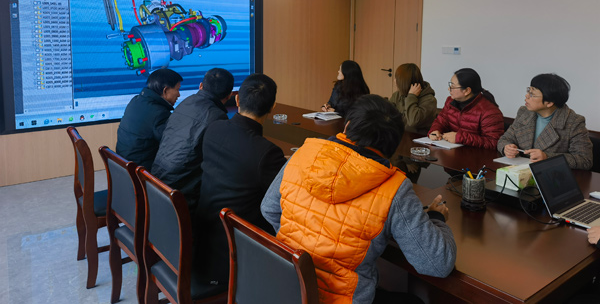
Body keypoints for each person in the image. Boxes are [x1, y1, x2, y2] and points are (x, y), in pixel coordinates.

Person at [262, 95, 456, 304]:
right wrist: (436, 218)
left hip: (286, 288)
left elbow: (269, 209)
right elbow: (437, 264)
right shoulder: (394, 187)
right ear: (392, 145)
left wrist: (304, 239)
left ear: (347, 126)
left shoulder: (303, 154)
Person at [195, 73, 287, 288]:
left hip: (203, 239)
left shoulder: (214, 128)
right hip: (237, 251)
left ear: (237, 99)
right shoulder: (267, 153)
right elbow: (283, 199)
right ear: (272, 106)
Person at [151, 68, 234, 209]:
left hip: (156, 180)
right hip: (181, 194)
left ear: (201, 86)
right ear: (229, 95)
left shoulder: (187, 102)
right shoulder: (218, 117)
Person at [497, 74, 592, 170]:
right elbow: (505, 139)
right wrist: (506, 148)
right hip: (518, 172)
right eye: (528, 91)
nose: (526, 96)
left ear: (549, 103)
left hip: (550, 175)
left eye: (532, 94)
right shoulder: (524, 112)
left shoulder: (574, 122)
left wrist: (547, 157)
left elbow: (584, 160)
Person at [116, 68, 182, 169]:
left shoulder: (136, 100)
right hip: (140, 170)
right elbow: (171, 144)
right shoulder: (159, 113)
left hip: (123, 163)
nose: (179, 94)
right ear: (165, 90)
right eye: (177, 89)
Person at [428, 68, 503, 150]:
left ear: (467, 90)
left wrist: (461, 138)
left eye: (453, 86)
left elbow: (493, 142)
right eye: (450, 85)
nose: (449, 89)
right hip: (452, 151)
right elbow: (441, 121)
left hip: (475, 155)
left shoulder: (489, 112)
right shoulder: (450, 102)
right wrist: (435, 130)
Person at [389, 63, 437, 133]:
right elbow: (387, 116)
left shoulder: (429, 100)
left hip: (417, 137)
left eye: (397, 78)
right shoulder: (397, 95)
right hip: (400, 135)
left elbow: (413, 122)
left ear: (405, 82)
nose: (394, 81)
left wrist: (411, 97)